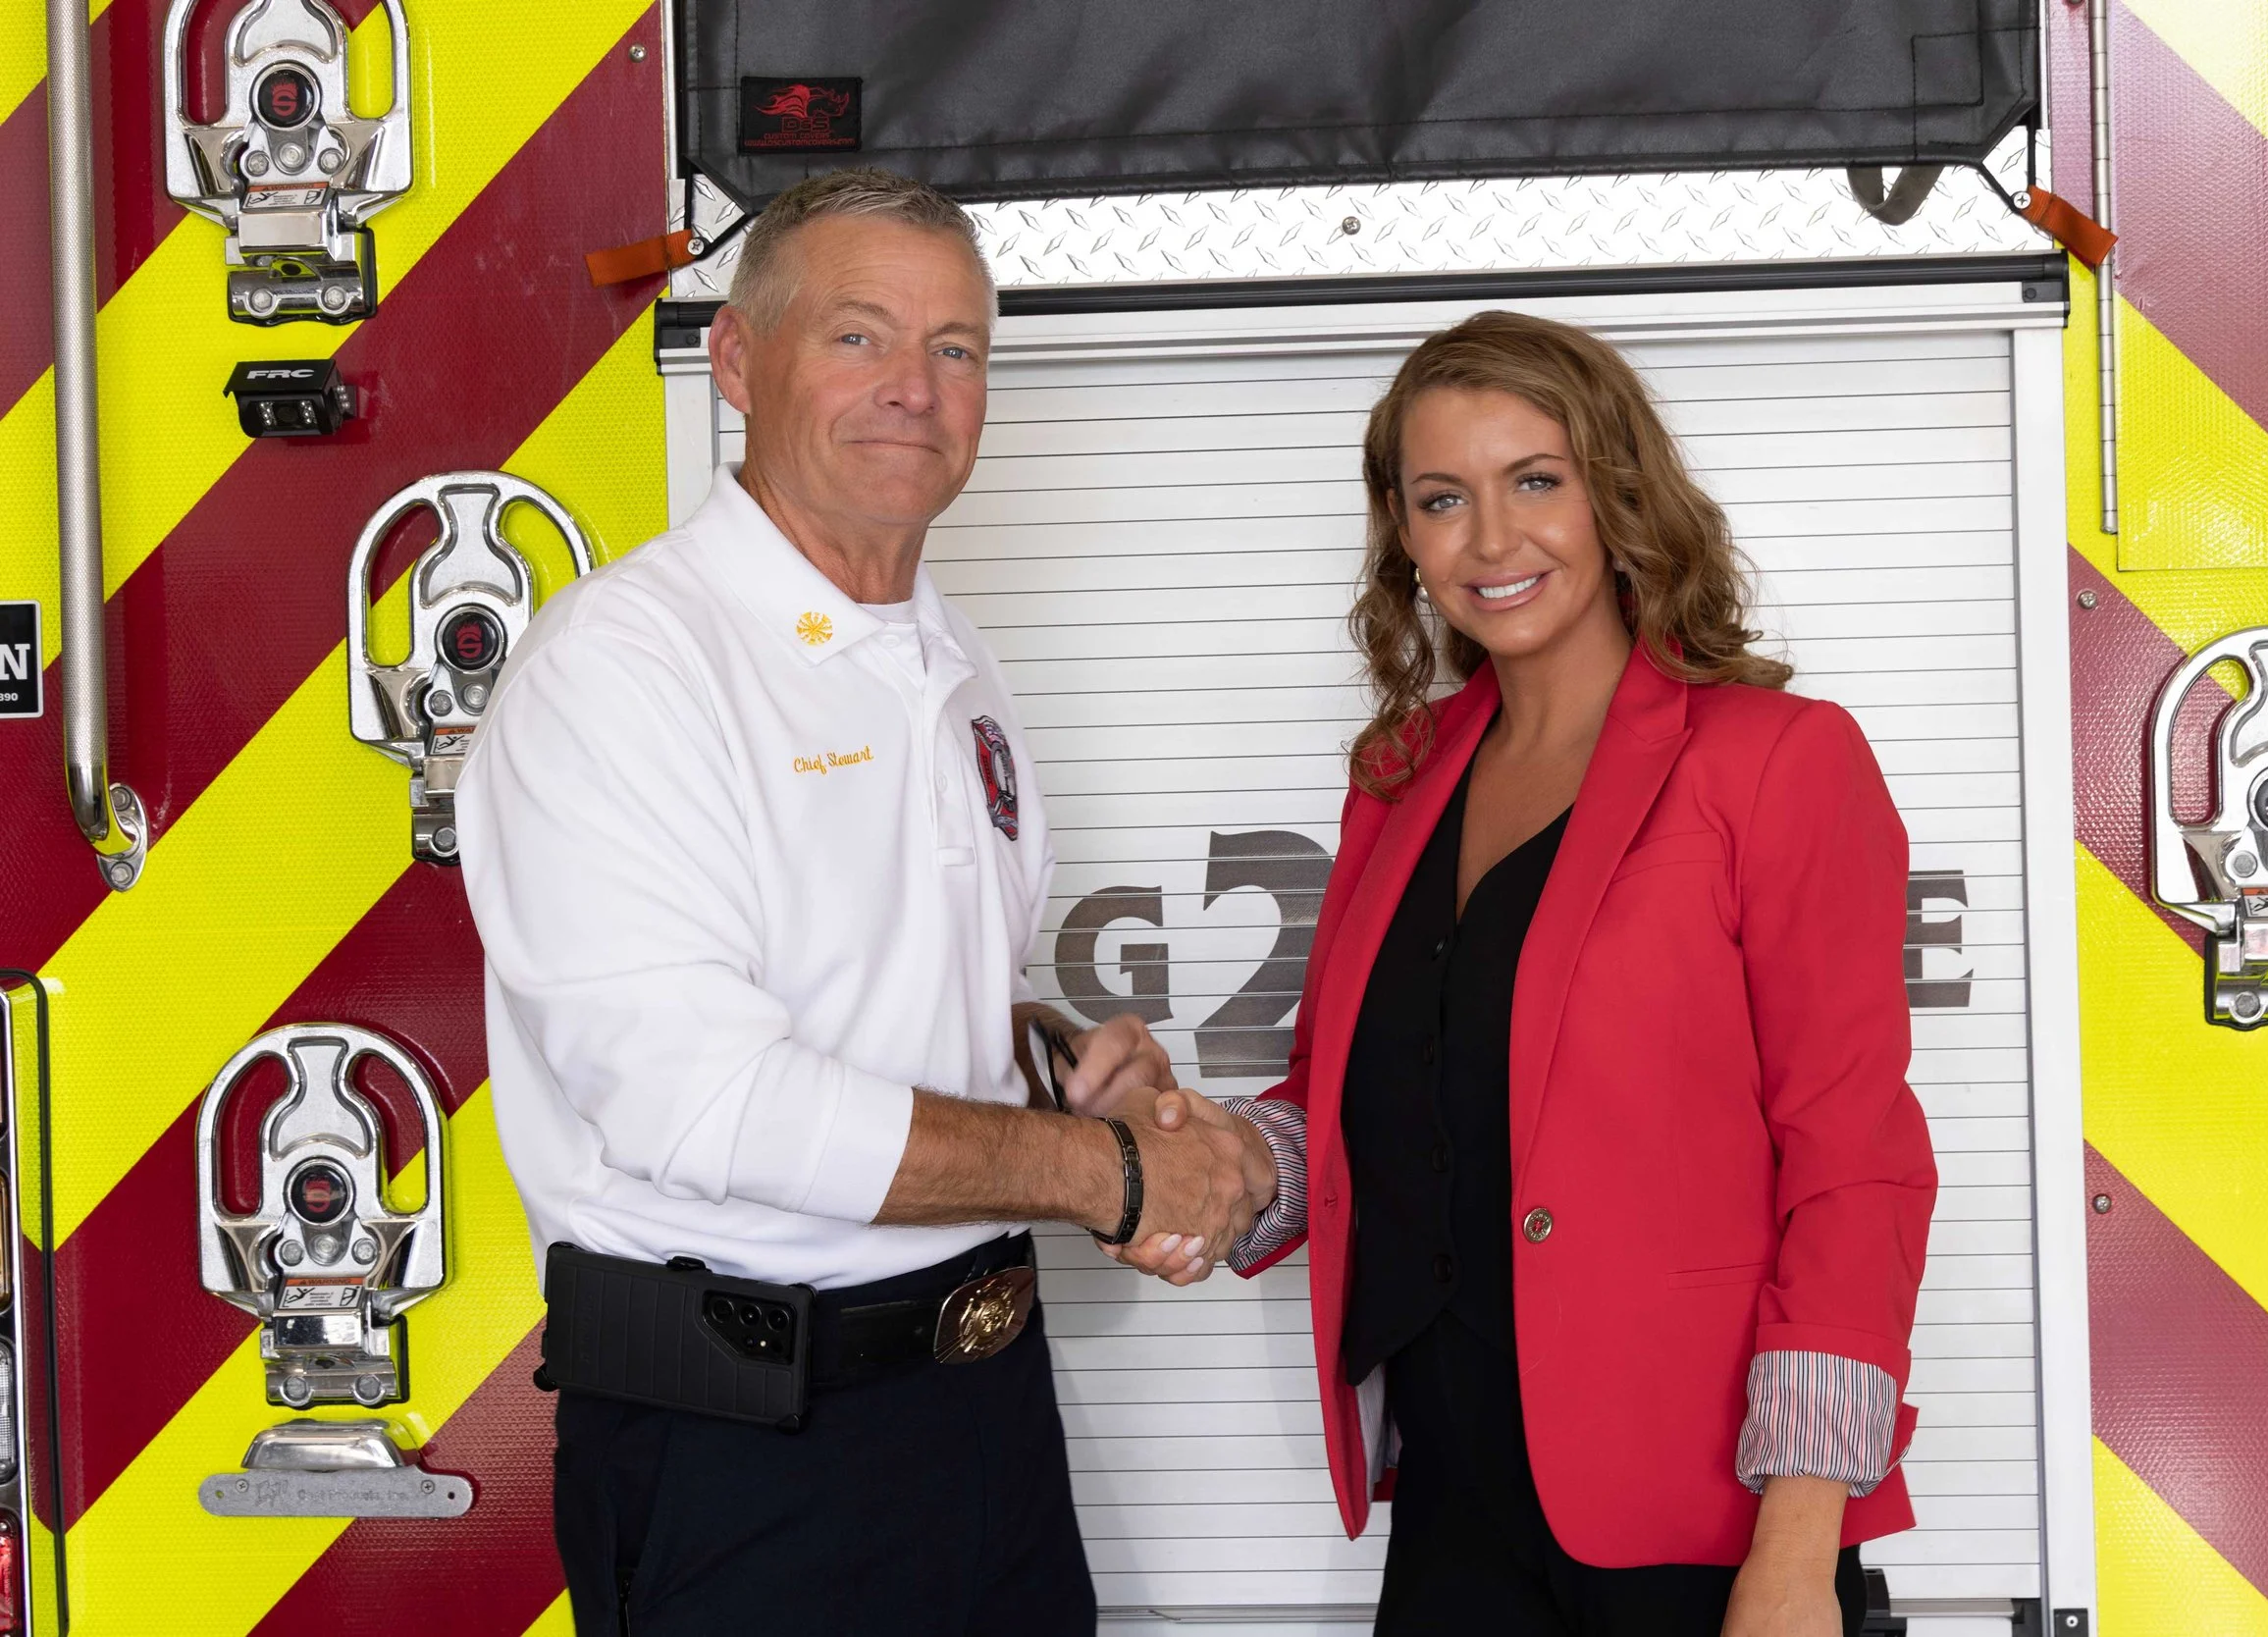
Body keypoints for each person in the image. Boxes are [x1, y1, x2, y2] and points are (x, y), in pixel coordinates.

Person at [456, 168, 1266, 1637]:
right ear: (740, 360)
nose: (916, 389)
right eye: (859, 337)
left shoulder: (947, 657)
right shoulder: (627, 670)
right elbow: (699, 1103)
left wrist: (1046, 1059)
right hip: (748, 1459)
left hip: (985, 1426)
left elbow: (880, 986)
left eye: (956, 349)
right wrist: (1106, 1175)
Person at [1093, 311, 1937, 1636]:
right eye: (1444, 499)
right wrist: (1198, 1145)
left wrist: (1796, 1544)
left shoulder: (1775, 761)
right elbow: (1358, 1099)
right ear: (1405, 536)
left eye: (1534, 480)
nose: (1493, 541)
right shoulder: (1402, 774)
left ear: (1615, 493)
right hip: (1454, 1505)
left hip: (1698, 1520)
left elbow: (1854, 1160)